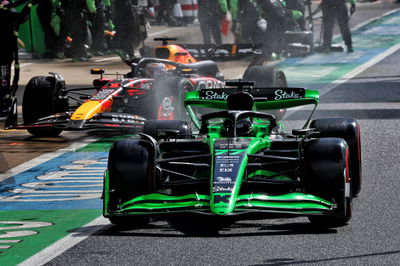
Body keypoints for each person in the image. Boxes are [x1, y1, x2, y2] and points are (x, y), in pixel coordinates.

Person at [0, 0, 38, 117]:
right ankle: (3, 104)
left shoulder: (6, 5)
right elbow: (20, 18)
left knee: (4, 77)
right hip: (4, 50)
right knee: (3, 77)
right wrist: (29, 6)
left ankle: (4, 103)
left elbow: (18, 18)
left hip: (5, 49)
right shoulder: (5, 5)